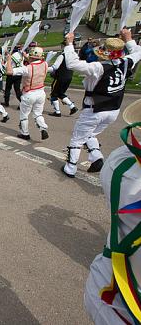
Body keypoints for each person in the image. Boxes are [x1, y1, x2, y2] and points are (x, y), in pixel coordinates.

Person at [84, 101, 141, 324]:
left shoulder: (121, 165)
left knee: (81, 133)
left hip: (113, 294)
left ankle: (77, 161)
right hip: (111, 106)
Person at [62, 29, 141, 178]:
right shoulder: (126, 62)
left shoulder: (98, 67)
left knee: (78, 138)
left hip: (94, 109)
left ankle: (70, 167)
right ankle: (96, 157)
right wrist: (129, 38)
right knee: (90, 134)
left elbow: (72, 63)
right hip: (113, 111)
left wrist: (70, 43)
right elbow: (138, 52)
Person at [6, 47, 49, 141]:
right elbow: (35, 62)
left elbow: (9, 72)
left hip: (29, 93)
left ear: (32, 57)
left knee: (24, 115)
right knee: (38, 113)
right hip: (41, 92)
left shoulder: (27, 68)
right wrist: (27, 57)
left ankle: (25, 133)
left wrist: (9, 60)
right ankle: (43, 128)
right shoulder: (45, 64)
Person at [48, 42, 79, 117]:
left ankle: (57, 112)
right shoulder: (73, 56)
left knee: (54, 94)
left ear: (63, 46)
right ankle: (72, 107)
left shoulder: (62, 56)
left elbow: (55, 67)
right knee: (60, 93)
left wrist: (44, 68)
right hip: (69, 77)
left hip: (60, 77)